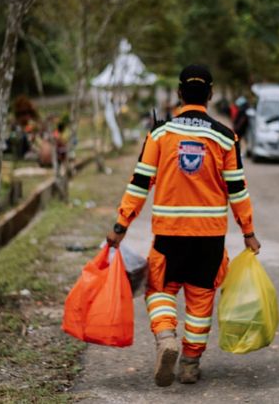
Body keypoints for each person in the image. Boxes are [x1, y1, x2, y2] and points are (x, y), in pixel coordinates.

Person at [106, 65, 261, 387]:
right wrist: (248, 232)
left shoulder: (160, 134)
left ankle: (165, 337)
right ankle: (190, 363)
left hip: (169, 233)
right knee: (201, 298)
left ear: (179, 93)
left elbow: (139, 183)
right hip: (210, 237)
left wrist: (121, 225)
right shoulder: (226, 137)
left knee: (160, 289)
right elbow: (238, 190)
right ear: (211, 94)